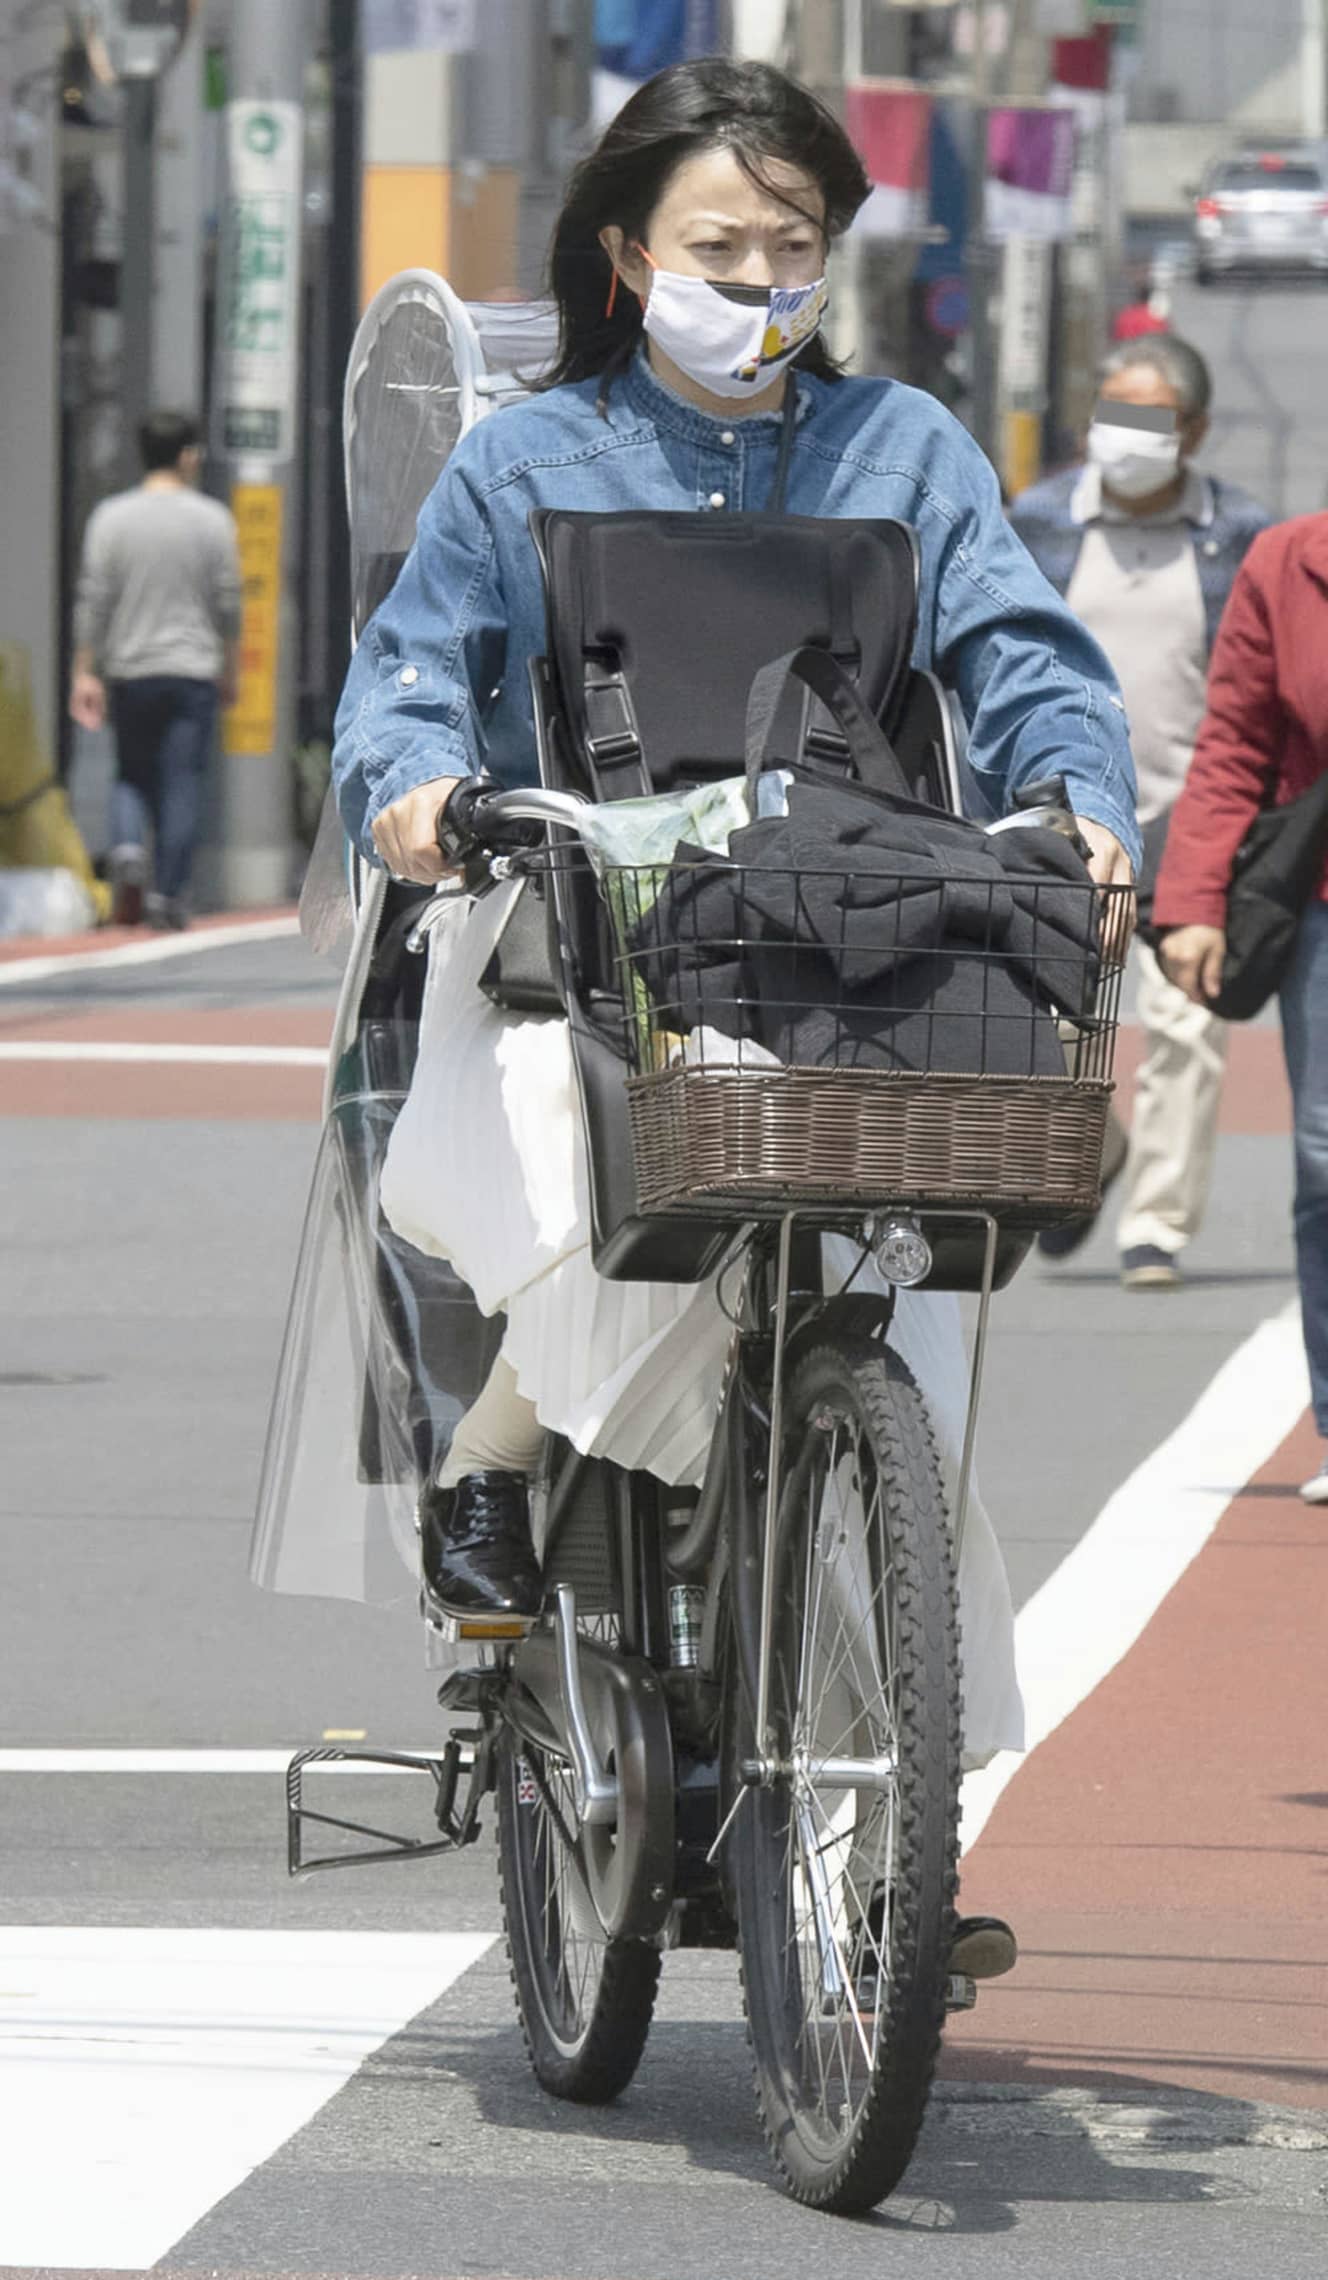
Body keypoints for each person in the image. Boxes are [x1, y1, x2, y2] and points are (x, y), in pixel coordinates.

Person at [332, 59, 1140, 1966]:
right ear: (626, 253)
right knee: (567, 1155)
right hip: (572, 928)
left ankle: (884, 1831)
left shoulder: (905, 451)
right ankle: (504, 1452)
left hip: (839, 936)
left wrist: (1078, 799)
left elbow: (1023, 658)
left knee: (907, 1371)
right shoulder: (525, 462)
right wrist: (418, 789)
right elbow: (409, 680)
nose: (760, 278)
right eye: (718, 244)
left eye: (794, 246)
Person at [1012, 333, 1270, 1287]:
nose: (1122, 440)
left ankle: (1155, 1223)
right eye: (1109, 416)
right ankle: (1100, 1148)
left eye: (1147, 421)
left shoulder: (1241, 535)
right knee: (1049, 1024)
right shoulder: (1036, 522)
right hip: (1059, 813)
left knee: (1186, 1026)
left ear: (1193, 432)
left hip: (1194, 818)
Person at [1154, 511, 1328, 1503]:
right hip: (1315, 907)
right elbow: (1232, 742)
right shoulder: (1285, 561)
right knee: (1321, 1158)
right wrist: (1188, 905)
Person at [70, 410, 241, 928]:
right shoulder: (213, 520)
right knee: (182, 781)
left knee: (132, 774)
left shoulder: (111, 518)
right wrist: (230, 668)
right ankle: (168, 894)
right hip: (192, 669)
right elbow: (229, 602)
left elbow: (93, 601)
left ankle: (124, 845)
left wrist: (85, 671)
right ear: (187, 455)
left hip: (131, 668)